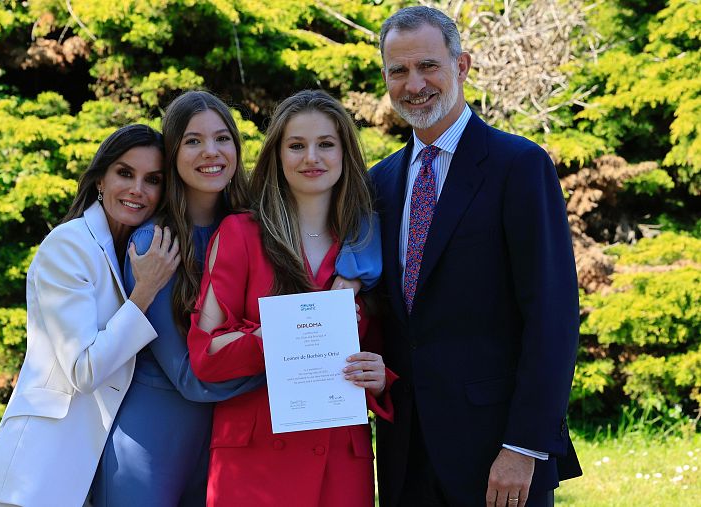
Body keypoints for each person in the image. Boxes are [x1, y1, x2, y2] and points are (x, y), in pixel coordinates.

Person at [92, 91, 382, 506]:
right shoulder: (158, 244)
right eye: (192, 141)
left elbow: (359, 228)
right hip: (162, 430)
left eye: (222, 138)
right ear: (172, 153)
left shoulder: (248, 218)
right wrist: (305, 348)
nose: (210, 151)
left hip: (239, 433)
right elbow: (193, 375)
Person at [369, 6, 582, 507]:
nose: (413, 83)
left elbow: (552, 318)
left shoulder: (519, 167)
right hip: (406, 457)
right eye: (397, 71)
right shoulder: (379, 182)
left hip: (497, 458)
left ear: (461, 66)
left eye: (428, 66)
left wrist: (522, 446)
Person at [187, 90, 395, 507]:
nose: (311, 158)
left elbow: (384, 352)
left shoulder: (369, 243)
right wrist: (281, 336)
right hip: (253, 463)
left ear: (345, 154)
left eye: (325, 144)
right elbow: (205, 353)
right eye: (297, 146)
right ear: (278, 156)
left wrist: (378, 375)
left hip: (340, 461)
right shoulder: (240, 234)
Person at [0, 124, 180, 507]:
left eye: (152, 180)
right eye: (125, 173)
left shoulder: (130, 251)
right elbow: (83, 369)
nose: (138, 189)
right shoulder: (68, 245)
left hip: (93, 470)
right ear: (100, 180)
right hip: (40, 472)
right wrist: (145, 292)